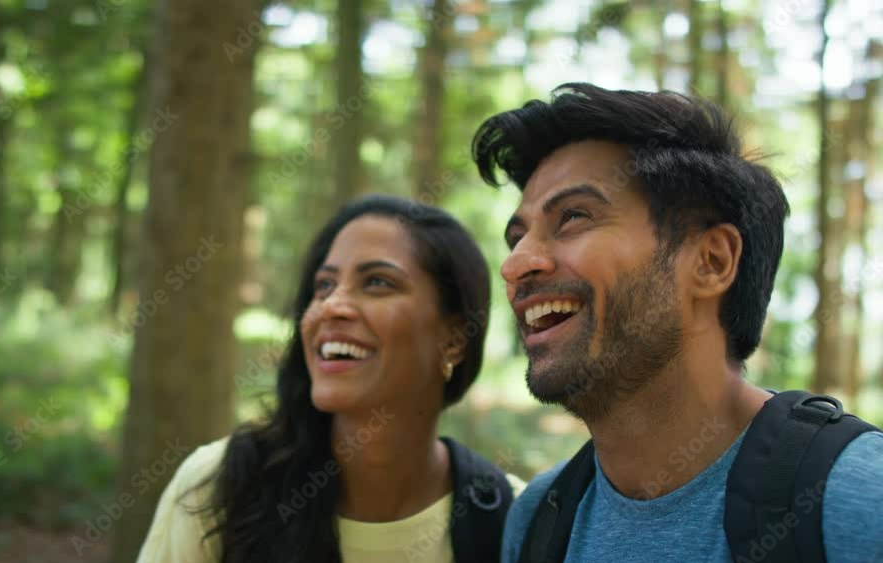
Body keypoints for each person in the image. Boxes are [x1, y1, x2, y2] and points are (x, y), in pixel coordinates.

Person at [470, 83, 883, 563]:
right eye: (516, 237)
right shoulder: (539, 519)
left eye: (573, 217)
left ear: (711, 261)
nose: (515, 264)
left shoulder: (857, 505)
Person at [136, 194, 525, 563]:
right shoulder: (218, 487)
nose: (332, 306)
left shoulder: (515, 518)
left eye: (377, 282)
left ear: (455, 339)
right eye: (324, 286)